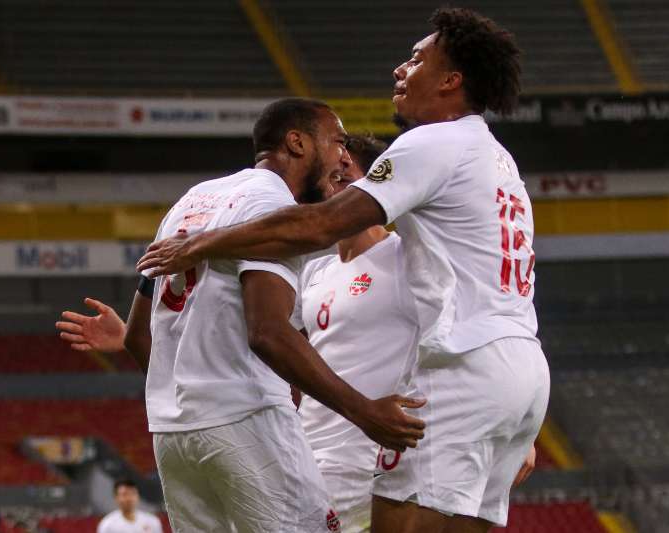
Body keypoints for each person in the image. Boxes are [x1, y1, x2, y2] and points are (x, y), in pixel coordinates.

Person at [136, 8, 550, 533]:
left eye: (417, 59)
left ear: (451, 81)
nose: (401, 69)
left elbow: (317, 226)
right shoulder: (498, 159)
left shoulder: (434, 142)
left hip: (461, 366)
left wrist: (204, 243)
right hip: (522, 369)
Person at [61, 98, 425, 533]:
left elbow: (139, 337)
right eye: (336, 142)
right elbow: (268, 332)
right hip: (246, 417)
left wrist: (189, 399)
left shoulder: (191, 200)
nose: (342, 157)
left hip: (174, 435)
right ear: (297, 142)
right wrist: (366, 413)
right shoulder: (274, 206)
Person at [97, 479, 162, 533]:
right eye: (124, 494)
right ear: (116, 497)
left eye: (133, 493)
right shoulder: (107, 525)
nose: (129, 498)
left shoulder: (152, 521)